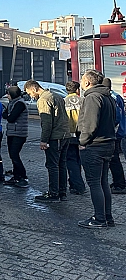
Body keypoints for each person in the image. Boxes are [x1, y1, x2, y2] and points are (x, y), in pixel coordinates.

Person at [77, 70, 116, 228]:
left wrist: (82, 141)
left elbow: (90, 124)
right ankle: (107, 217)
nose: (80, 81)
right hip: (108, 143)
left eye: (81, 79)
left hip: (94, 145)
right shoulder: (108, 96)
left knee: (94, 183)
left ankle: (99, 219)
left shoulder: (92, 97)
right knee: (103, 182)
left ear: (87, 82)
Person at [24, 80, 70, 202]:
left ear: (34, 88)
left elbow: (47, 122)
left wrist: (44, 140)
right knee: (62, 164)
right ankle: (62, 192)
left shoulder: (43, 100)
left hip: (55, 137)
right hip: (65, 135)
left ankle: (53, 193)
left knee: (52, 165)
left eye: (29, 93)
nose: (30, 96)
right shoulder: (56, 95)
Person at [2, 86, 30, 188]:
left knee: (14, 155)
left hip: (19, 134)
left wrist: (6, 114)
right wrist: (6, 114)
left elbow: (11, 118)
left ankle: (23, 176)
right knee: (12, 155)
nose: (7, 96)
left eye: (8, 94)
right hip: (12, 133)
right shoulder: (12, 103)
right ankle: (16, 176)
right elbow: (6, 115)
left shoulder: (19, 104)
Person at [103, 78, 126, 194]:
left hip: (115, 133)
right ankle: (119, 182)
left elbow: (116, 116)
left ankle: (120, 183)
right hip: (120, 131)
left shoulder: (111, 97)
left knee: (114, 159)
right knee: (114, 158)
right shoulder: (117, 96)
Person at [64, 81, 87, 194]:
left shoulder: (63, 101)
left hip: (68, 135)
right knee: (78, 159)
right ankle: (77, 183)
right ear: (77, 90)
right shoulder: (83, 101)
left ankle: (76, 184)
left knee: (70, 160)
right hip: (82, 134)